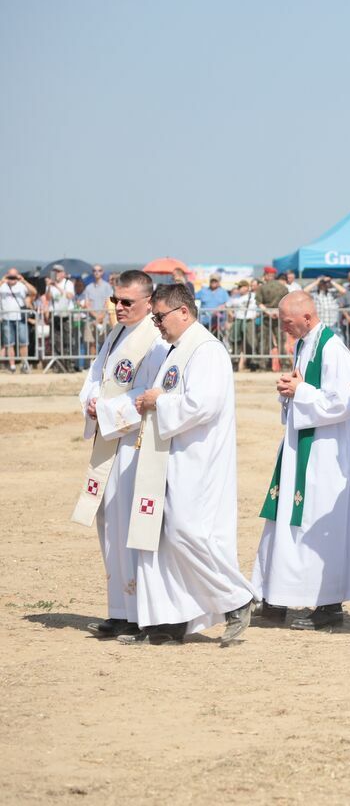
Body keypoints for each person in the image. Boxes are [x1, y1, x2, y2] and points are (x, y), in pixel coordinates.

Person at [122, 284, 255, 645]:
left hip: (198, 458)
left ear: (183, 312)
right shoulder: (178, 350)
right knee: (161, 537)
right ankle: (169, 620)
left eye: (160, 316)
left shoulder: (207, 350)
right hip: (171, 454)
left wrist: (160, 401)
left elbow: (204, 404)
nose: (157, 324)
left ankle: (237, 598)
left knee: (185, 531)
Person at [251, 292, 350, 630]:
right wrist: (290, 389)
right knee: (283, 519)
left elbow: (344, 402)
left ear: (307, 317)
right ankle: (275, 597)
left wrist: (298, 391)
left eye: (287, 320)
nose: (283, 326)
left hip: (325, 455)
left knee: (317, 527)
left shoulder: (332, 349)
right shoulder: (304, 344)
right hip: (302, 445)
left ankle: (328, 606)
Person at [71, 270, 168, 639]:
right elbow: (97, 376)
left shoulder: (155, 340)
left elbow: (150, 390)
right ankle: (118, 609)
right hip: (109, 440)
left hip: (134, 444)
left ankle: (140, 611)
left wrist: (109, 410)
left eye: (127, 302)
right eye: (115, 301)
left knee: (131, 526)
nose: (119, 308)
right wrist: (92, 402)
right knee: (109, 525)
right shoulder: (116, 334)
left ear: (147, 301)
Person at [1, 268, 35, 372]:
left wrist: (23, 280)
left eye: (14, 276)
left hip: (20, 318)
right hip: (7, 318)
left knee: (23, 342)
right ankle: (12, 365)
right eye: (10, 276)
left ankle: (24, 363)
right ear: (7, 275)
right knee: (9, 343)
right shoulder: (3, 286)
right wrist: (2, 280)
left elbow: (34, 292)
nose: (12, 278)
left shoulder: (21, 286)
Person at [228, 279, 260, 370]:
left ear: (246, 287)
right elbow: (227, 306)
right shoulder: (235, 297)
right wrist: (231, 315)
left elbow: (260, 306)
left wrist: (256, 315)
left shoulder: (253, 296)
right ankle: (235, 362)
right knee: (236, 342)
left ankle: (253, 363)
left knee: (251, 342)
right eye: (238, 287)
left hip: (249, 320)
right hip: (238, 320)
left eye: (240, 287)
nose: (239, 289)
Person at [82, 265, 113, 357]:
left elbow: (108, 302)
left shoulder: (107, 286)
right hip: (91, 319)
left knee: (104, 342)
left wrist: (100, 317)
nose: (97, 272)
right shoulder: (88, 288)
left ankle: (103, 363)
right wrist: (95, 316)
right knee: (91, 342)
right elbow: (87, 304)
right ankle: (93, 363)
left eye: (99, 270)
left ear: (102, 272)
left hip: (105, 319)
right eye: (95, 270)